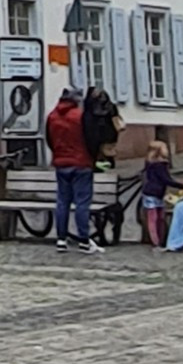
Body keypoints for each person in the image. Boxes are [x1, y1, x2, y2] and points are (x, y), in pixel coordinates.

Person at [45, 87, 101, 256]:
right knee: (82, 203)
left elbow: (49, 139)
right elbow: (91, 138)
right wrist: (94, 158)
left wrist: (58, 153)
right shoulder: (80, 116)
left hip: (61, 163)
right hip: (81, 163)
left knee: (62, 202)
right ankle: (84, 241)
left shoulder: (52, 117)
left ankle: (61, 240)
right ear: (76, 100)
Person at [139, 140, 177, 248]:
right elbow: (166, 179)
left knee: (157, 218)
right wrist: (181, 185)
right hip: (154, 193)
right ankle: (156, 241)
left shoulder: (151, 163)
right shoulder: (159, 165)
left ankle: (158, 240)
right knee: (155, 218)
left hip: (154, 193)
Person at [81, 85, 123, 166]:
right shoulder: (110, 105)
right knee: (108, 149)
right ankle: (109, 163)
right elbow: (115, 117)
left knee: (98, 150)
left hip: (96, 131)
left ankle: (99, 165)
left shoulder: (90, 105)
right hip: (110, 131)